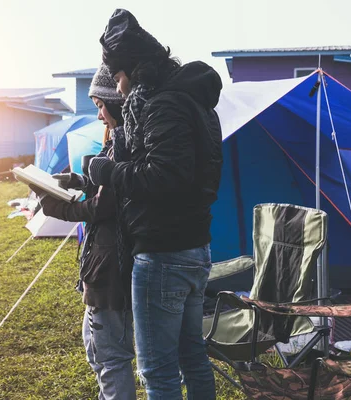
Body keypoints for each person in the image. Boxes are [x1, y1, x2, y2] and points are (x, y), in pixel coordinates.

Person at [87, 9, 224, 400]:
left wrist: (111, 172)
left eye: (117, 78)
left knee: (158, 371)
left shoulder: (164, 105)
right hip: (194, 246)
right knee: (192, 356)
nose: (121, 89)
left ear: (133, 69)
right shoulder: (193, 100)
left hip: (163, 252)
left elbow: (165, 176)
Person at [29, 63, 136, 400]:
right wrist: (72, 180)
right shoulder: (119, 140)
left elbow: (105, 206)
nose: (100, 115)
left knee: (111, 359)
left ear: (116, 102)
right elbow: (103, 186)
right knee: (97, 350)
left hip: (111, 266)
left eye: (101, 105)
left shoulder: (125, 143)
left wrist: (58, 207)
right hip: (102, 262)